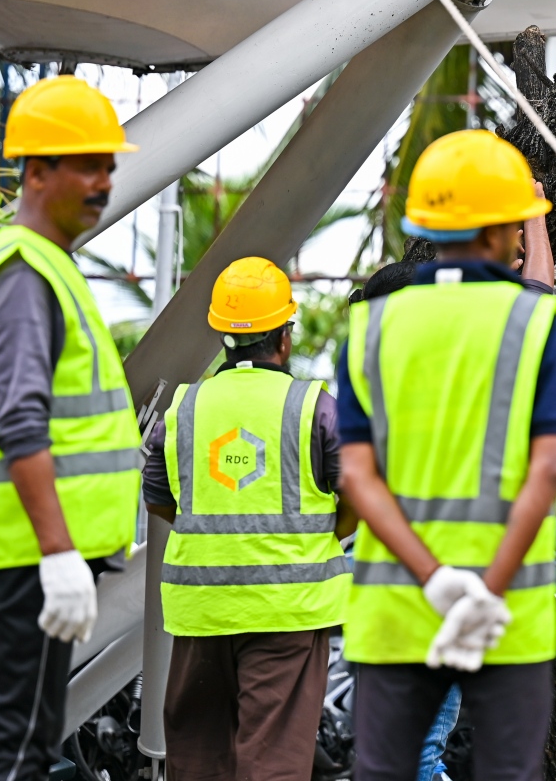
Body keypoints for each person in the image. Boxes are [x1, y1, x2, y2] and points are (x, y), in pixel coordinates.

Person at [335, 129, 556, 781]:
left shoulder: (371, 330)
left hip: (399, 604)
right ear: (500, 231)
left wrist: (439, 581)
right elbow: (548, 473)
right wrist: (485, 592)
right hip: (505, 611)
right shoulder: (534, 326)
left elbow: (356, 476)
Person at [0, 75, 143, 781]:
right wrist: (58, 554)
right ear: (36, 173)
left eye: (109, 166)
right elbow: (19, 421)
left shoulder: (47, 269)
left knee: (26, 744)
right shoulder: (25, 275)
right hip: (35, 554)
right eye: (88, 165)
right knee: (16, 746)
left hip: (40, 553)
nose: (104, 182)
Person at [140, 256, 353, 781]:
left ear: (223, 336)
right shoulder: (314, 408)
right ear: (284, 336)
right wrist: (330, 531)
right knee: (272, 760)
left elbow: (159, 501)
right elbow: (356, 494)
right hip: (288, 615)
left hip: (200, 613)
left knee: (198, 761)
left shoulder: (184, 410)